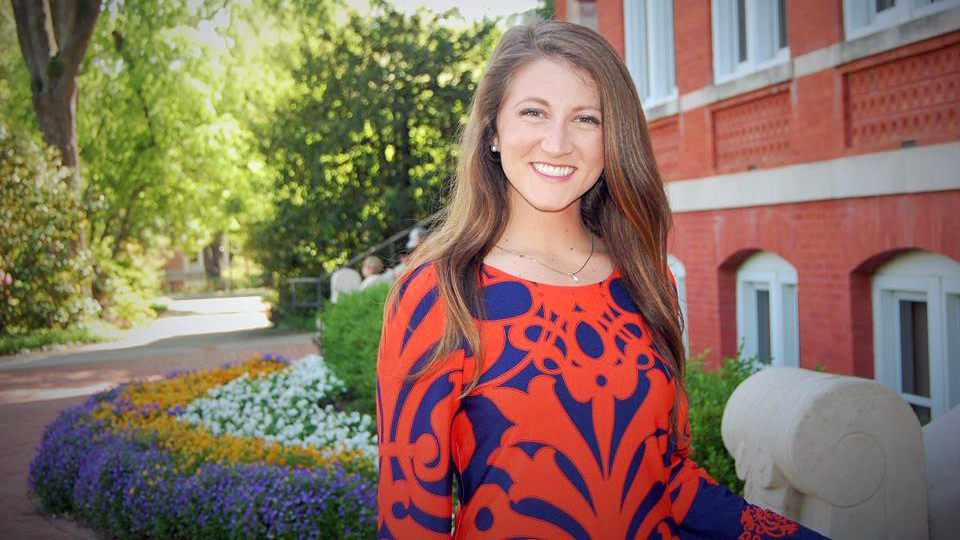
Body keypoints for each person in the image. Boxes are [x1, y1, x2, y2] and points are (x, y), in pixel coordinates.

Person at [376, 20, 829, 539]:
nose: (557, 141)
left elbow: (671, 480)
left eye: (586, 119)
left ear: (612, 138)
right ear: (493, 131)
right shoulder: (439, 293)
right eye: (533, 112)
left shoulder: (647, 279)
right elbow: (409, 521)